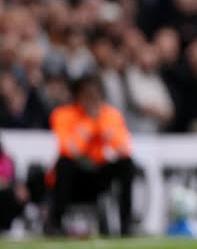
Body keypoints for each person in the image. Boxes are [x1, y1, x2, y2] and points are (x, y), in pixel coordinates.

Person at [46, 74, 134, 236]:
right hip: (74, 177)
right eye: (87, 94)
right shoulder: (63, 115)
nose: (92, 99)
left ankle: (126, 225)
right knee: (64, 164)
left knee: (126, 164)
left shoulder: (111, 115)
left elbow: (124, 149)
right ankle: (56, 223)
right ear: (78, 96)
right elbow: (69, 150)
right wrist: (90, 125)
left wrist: (105, 133)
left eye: (96, 94)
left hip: (98, 175)